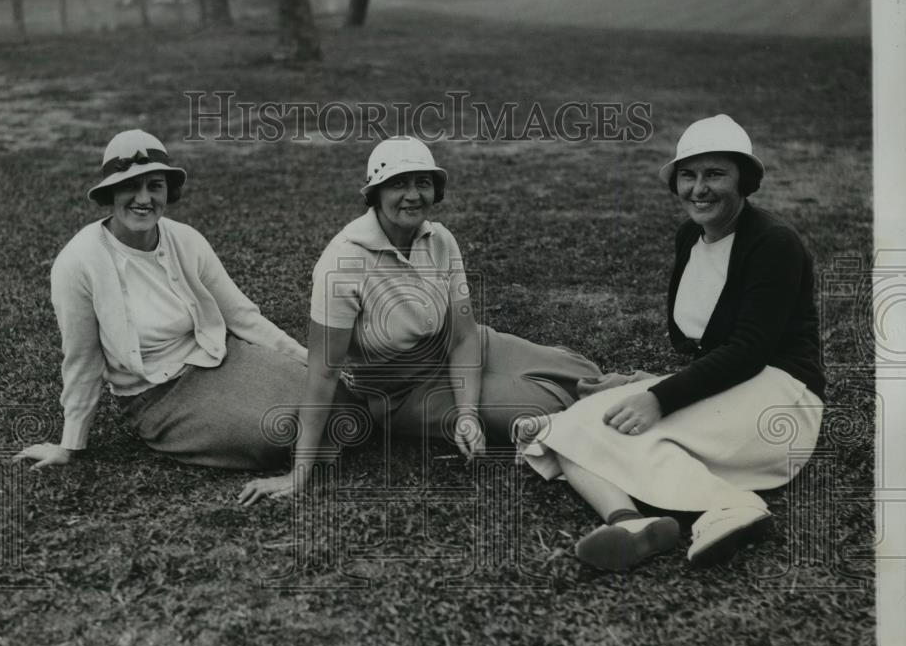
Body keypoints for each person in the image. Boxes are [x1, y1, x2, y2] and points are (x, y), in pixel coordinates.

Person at [238, 136, 641, 505]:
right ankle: (609, 428)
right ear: (375, 193)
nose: (413, 196)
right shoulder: (342, 262)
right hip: (399, 392)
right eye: (399, 184)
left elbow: (465, 335)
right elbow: (323, 375)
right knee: (538, 404)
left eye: (423, 183)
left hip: (462, 347)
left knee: (576, 371)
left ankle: (653, 394)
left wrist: (466, 412)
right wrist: (300, 472)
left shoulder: (440, 239)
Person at [515, 114, 826, 570]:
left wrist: (658, 397)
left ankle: (730, 506)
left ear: (745, 180)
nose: (699, 189)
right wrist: (651, 381)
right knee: (575, 423)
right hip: (732, 385)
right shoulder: (690, 237)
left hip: (781, 398)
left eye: (715, 174)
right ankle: (628, 521)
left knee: (630, 425)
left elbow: (750, 350)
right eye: (688, 175)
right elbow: (714, 350)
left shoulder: (773, 243)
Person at [14, 129, 308, 471]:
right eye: (129, 186)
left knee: (331, 396)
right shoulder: (78, 262)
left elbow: (242, 317)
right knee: (276, 435)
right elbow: (82, 361)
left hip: (218, 358)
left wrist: (308, 361)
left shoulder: (186, 239)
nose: (143, 198)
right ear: (110, 192)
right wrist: (70, 444)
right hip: (156, 395)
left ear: (169, 190)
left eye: (154, 186)